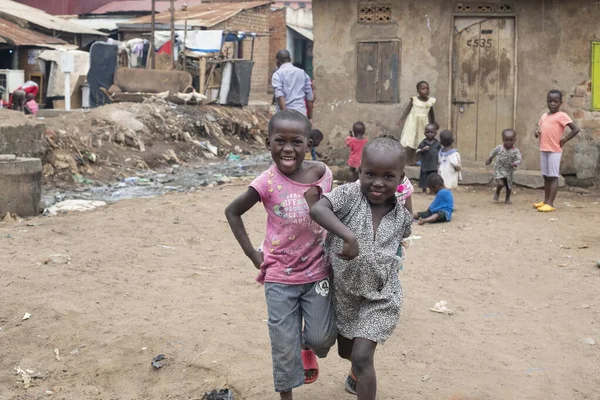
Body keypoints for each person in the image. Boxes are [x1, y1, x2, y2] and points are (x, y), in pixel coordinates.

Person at [224, 110, 336, 400]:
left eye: (296, 141)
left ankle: (306, 347)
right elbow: (232, 212)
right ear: (268, 142)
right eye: (280, 141)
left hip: (317, 272)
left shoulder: (323, 174)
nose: (288, 148)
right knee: (282, 344)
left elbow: (329, 213)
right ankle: (286, 395)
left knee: (321, 340)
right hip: (279, 277)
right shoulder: (266, 182)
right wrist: (253, 255)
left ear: (309, 143)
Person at [310, 136, 412, 400]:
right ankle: (355, 370)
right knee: (347, 352)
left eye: (388, 176)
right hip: (344, 294)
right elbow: (318, 209)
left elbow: (400, 245)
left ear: (402, 179)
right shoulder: (350, 195)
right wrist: (349, 236)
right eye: (370, 174)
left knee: (363, 356)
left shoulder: (402, 216)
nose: (377, 183)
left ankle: (360, 370)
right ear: (360, 171)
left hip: (381, 297)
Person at [533, 90, 580, 212]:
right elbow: (540, 129)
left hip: (554, 150)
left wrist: (564, 140)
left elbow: (575, 129)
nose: (552, 103)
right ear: (547, 101)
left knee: (553, 176)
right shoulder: (544, 116)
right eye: (550, 101)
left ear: (560, 103)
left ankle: (550, 203)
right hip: (544, 149)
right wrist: (537, 133)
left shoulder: (562, 116)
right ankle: (545, 200)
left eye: (555, 101)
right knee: (546, 176)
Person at [272, 50, 314, 120]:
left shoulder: (277, 74)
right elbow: (309, 97)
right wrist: (309, 117)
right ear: (290, 60)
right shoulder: (302, 73)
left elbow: (280, 96)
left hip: (284, 116)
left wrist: (285, 116)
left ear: (277, 61)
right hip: (301, 113)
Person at [398, 81, 436, 158]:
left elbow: (431, 113)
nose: (426, 90)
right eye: (423, 89)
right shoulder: (414, 100)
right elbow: (407, 109)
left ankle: (417, 158)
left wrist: (433, 122)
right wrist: (401, 119)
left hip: (423, 124)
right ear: (418, 91)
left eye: (427, 89)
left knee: (421, 139)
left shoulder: (430, 101)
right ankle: (410, 158)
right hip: (413, 123)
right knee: (412, 138)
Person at [486, 129, 522, 204]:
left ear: (514, 140)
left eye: (511, 140)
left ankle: (507, 198)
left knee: (508, 185)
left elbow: (519, 159)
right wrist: (489, 159)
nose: (508, 142)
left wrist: (515, 163)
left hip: (509, 170)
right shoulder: (499, 148)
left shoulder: (516, 151)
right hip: (499, 169)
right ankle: (497, 191)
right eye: (506, 140)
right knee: (501, 183)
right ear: (503, 139)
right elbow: (493, 153)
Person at [416, 124, 441, 193]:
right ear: (424, 133)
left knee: (433, 178)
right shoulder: (423, 142)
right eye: (428, 132)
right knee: (424, 177)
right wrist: (423, 150)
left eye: (432, 132)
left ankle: (432, 190)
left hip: (433, 164)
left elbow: (441, 152)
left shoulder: (437, 143)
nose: (430, 134)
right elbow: (417, 151)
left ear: (435, 133)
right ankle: (424, 189)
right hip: (425, 164)